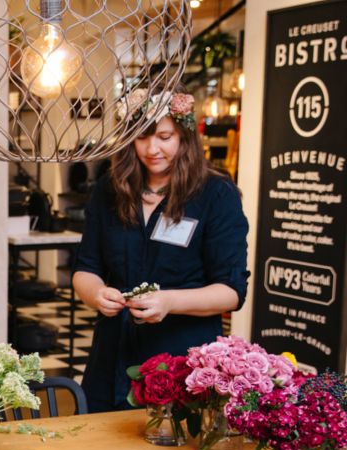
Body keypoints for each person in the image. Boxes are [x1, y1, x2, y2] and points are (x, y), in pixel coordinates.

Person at [72, 88, 250, 412]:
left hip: (181, 361)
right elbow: (85, 268)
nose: (152, 149)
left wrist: (170, 301)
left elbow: (232, 291)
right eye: (142, 138)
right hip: (112, 356)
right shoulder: (109, 191)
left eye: (164, 137)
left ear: (184, 136)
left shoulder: (215, 195)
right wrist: (95, 293)